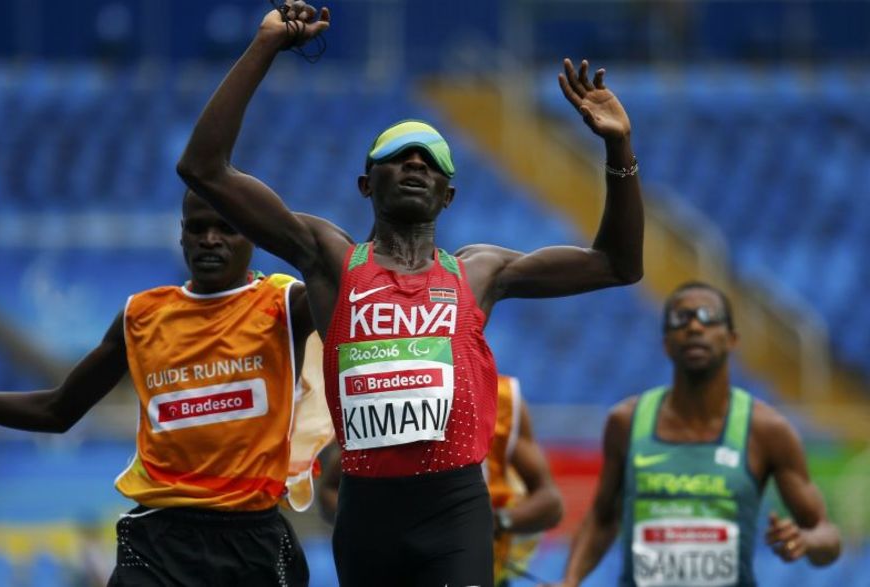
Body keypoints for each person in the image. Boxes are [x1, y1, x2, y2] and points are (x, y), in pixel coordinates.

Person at [176, 2, 643, 584]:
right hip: (367, 511)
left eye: (432, 160)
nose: (416, 163)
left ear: (448, 195)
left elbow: (618, 265)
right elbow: (204, 169)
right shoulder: (330, 260)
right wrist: (265, 45)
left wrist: (619, 149)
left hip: (455, 509)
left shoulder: (479, 273)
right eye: (398, 158)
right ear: (366, 184)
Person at [0, 190, 326, 587]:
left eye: (227, 228)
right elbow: (55, 410)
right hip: (160, 541)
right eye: (197, 227)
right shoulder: (141, 317)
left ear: (253, 235)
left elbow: (339, 267)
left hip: (253, 542)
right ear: (181, 234)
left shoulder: (285, 305)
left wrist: (278, 221)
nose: (210, 239)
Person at [546, 281, 842, 587]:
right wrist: (570, 580)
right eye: (681, 319)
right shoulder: (627, 422)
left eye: (708, 317)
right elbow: (602, 517)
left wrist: (806, 540)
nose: (695, 327)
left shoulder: (767, 429)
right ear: (666, 343)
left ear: (732, 340)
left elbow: (828, 538)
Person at [318, 373, 565, 586]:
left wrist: (497, 521)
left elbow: (551, 503)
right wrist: (372, 523)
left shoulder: (502, 398)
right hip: (393, 569)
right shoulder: (386, 393)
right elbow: (329, 491)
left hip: (482, 570)